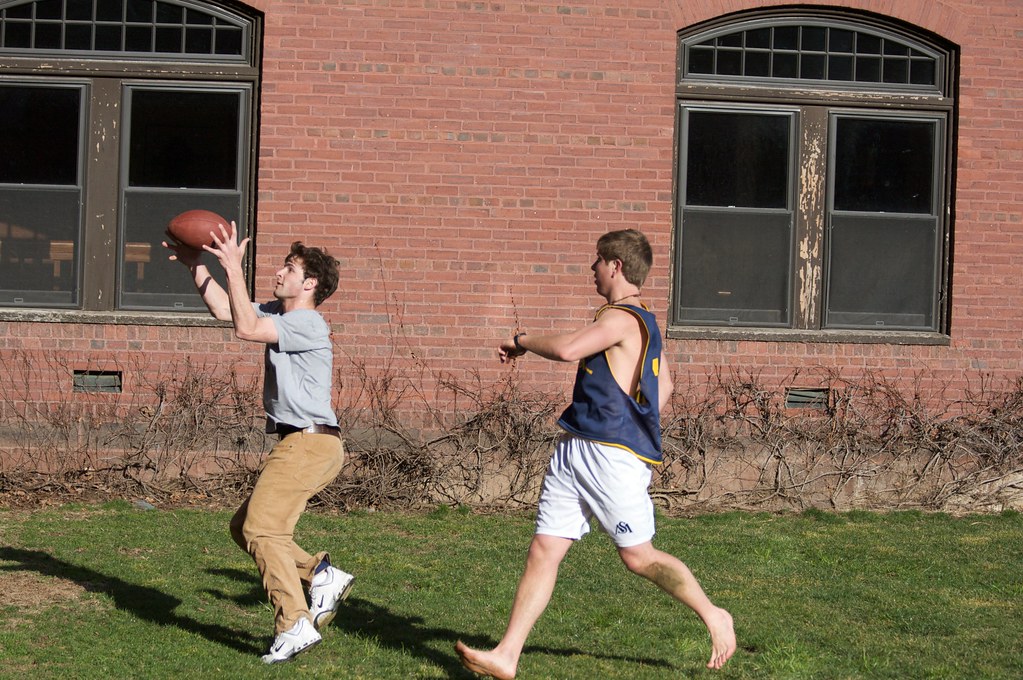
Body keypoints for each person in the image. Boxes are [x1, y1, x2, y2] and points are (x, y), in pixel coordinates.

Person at [455, 229, 736, 678]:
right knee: (544, 550)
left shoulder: (625, 318)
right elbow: (665, 387)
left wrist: (521, 340)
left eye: (597, 261)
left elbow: (568, 349)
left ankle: (713, 613)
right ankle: (507, 655)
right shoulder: (643, 321)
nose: (592, 269)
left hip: (608, 455)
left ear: (616, 266)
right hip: (577, 446)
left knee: (638, 557)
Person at [165, 221, 355, 664]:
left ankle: (294, 622)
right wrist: (197, 266)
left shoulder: (308, 321)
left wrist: (232, 264)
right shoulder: (280, 312)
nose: (279, 273)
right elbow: (227, 311)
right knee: (244, 526)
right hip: (301, 443)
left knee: (262, 530)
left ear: (309, 283)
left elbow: (246, 329)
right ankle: (320, 574)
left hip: (311, 444)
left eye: (289, 269)